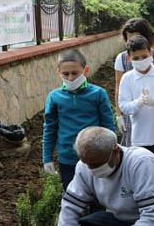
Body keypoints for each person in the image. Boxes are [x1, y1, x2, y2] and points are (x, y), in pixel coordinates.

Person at [43, 49, 115, 189]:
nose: (70, 78)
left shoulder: (98, 94)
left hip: (96, 156)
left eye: (75, 73)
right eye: (65, 74)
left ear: (85, 70)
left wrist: (111, 152)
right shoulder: (54, 97)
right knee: (72, 197)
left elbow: (108, 126)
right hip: (67, 158)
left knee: (98, 199)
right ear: (59, 72)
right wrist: (47, 158)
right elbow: (49, 129)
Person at [118, 36, 154, 176]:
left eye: (144, 56)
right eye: (136, 58)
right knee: (143, 174)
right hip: (140, 137)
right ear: (128, 58)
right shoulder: (127, 78)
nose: (141, 61)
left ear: (151, 53)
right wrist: (138, 102)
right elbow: (124, 106)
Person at [114, 18, 154, 146]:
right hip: (131, 109)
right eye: (129, 39)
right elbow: (118, 87)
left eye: (137, 37)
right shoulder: (122, 58)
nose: (133, 42)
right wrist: (119, 114)